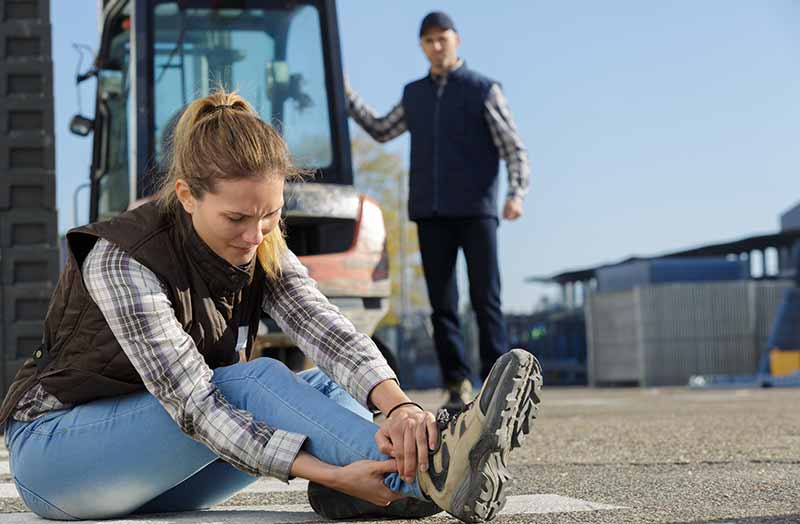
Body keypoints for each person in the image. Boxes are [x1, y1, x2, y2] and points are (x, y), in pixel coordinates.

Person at [0, 90, 542, 523]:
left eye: (269, 216)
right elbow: (198, 406)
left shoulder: (261, 244)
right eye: (236, 219)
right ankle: (427, 473)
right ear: (188, 196)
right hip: (57, 461)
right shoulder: (122, 257)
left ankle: (388, 481)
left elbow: (326, 329)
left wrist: (397, 407)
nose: (254, 233)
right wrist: (325, 473)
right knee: (250, 382)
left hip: (155, 467)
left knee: (324, 387)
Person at [346, 11, 531, 411]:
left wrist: (516, 193)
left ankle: (500, 384)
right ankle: (456, 384)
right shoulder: (414, 94)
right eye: (428, 40)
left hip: (477, 210)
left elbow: (513, 147)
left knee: (486, 300)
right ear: (422, 46)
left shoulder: (484, 90)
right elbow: (381, 129)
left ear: (456, 40)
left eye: (442, 38)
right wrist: (346, 96)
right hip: (430, 213)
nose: (436, 46)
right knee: (442, 305)